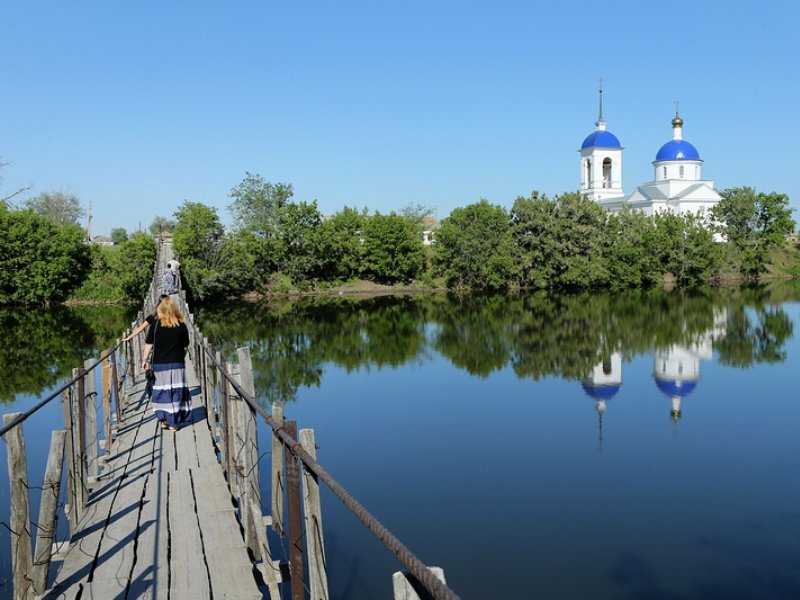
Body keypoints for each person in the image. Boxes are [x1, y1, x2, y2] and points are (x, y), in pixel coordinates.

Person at [141, 295, 191, 431]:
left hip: (159, 364)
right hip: (177, 364)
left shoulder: (156, 325)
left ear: (160, 309)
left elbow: (149, 344)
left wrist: (144, 360)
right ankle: (174, 422)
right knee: (176, 392)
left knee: (160, 392)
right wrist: (181, 357)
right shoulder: (182, 326)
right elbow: (185, 346)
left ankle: (164, 419)